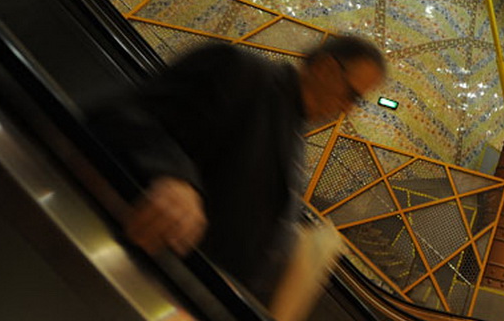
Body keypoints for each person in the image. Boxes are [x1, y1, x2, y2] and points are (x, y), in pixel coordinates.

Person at [88, 35, 386, 302]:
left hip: (182, 293)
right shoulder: (240, 72)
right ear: (326, 68)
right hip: (126, 260)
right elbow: (126, 115)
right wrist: (174, 177)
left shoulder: (294, 138)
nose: (348, 109)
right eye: (352, 96)